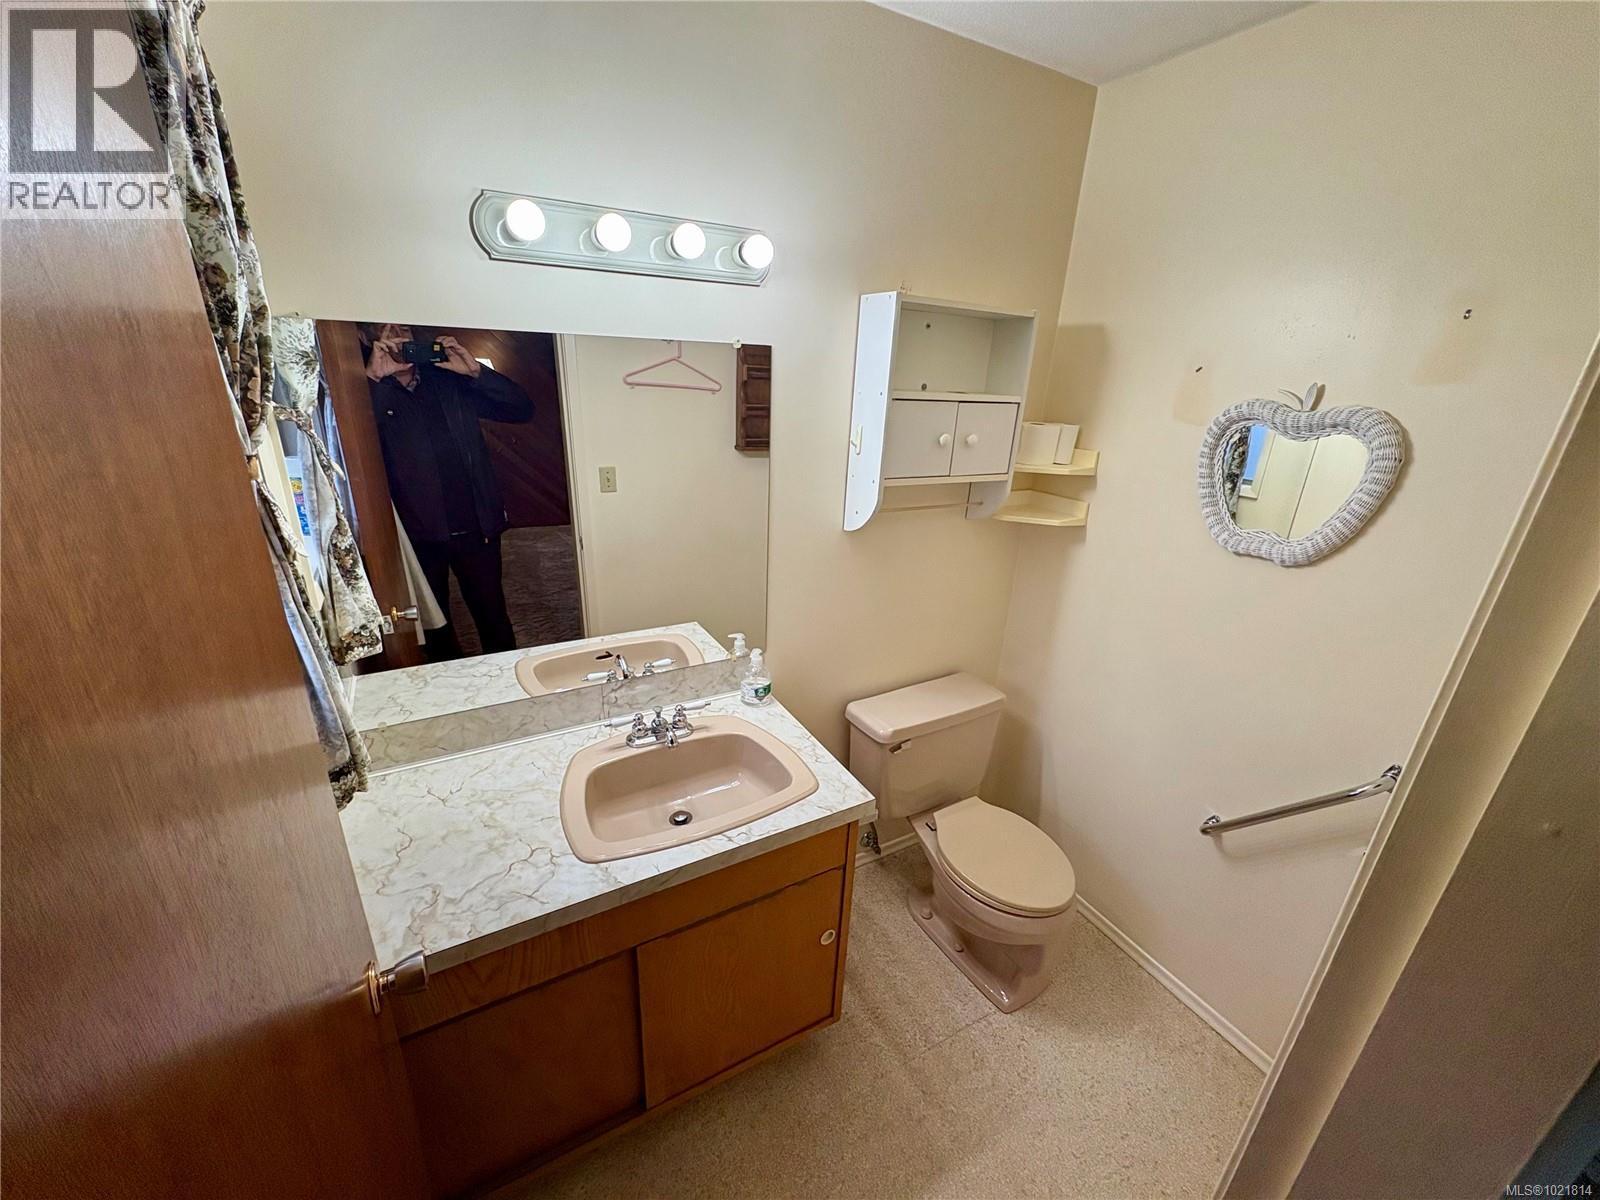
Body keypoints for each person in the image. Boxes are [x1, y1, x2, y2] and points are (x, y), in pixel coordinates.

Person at [360, 322, 533, 660]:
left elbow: (521, 409)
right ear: (369, 339)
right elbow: (355, 442)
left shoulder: (448, 377)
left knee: (493, 615)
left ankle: (507, 682)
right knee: (432, 624)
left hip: (476, 524)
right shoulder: (365, 385)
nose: (399, 338)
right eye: (386, 330)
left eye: (404, 330)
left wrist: (475, 372)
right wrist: (374, 382)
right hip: (417, 534)